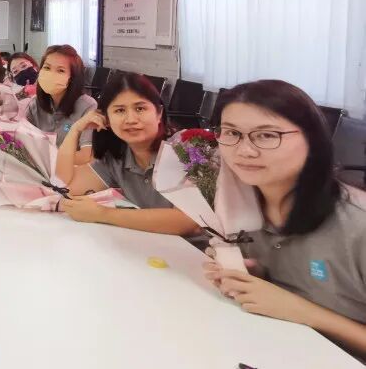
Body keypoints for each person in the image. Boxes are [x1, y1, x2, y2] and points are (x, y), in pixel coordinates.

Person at [203, 80, 366, 360]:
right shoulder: (239, 203)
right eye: (231, 133)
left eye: (267, 135)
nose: (244, 151)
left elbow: (294, 308)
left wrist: (302, 310)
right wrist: (252, 279)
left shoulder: (357, 225)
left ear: (312, 139)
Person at [52, 72, 199, 236]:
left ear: (159, 113)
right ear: (106, 119)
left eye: (140, 108)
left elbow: (188, 221)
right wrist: (75, 130)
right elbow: (62, 186)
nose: (131, 119)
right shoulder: (117, 159)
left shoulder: (185, 149)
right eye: (120, 110)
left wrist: (103, 214)